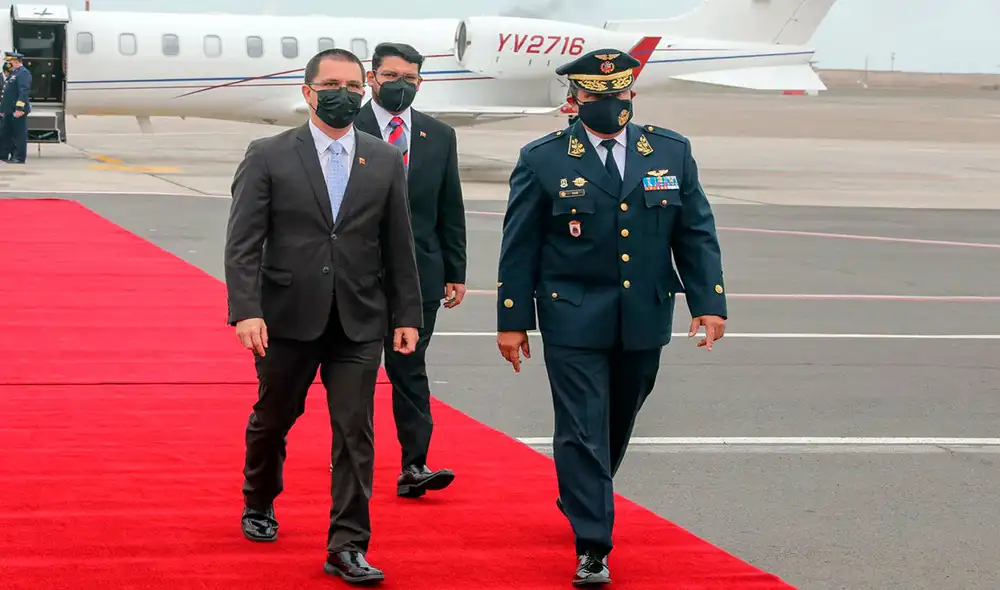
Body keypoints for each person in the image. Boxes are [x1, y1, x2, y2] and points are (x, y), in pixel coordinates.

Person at [495, 49, 728, 586]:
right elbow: (519, 246)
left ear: (632, 96)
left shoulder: (669, 152)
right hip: (571, 316)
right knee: (581, 428)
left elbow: (694, 230)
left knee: (617, 420)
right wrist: (513, 319)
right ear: (574, 100)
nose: (610, 105)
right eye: (598, 97)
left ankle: (580, 490)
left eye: (618, 96)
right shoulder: (543, 159)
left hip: (644, 314)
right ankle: (593, 545)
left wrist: (708, 302)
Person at [224, 48, 423, 585]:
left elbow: (398, 245)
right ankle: (259, 499)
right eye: (332, 84)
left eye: (354, 85)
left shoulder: (382, 159)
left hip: (360, 319)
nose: (345, 93)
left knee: (355, 431)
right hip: (286, 318)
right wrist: (246, 310)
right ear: (308, 92)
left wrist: (408, 314)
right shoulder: (268, 154)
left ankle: (347, 545)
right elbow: (244, 243)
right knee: (274, 417)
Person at [353, 41, 467, 498]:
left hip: (419, 274)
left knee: (410, 367)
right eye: (391, 76)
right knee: (354, 370)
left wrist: (455, 270)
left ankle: (414, 464)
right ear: (371, 77)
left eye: (411, 79)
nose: (401, 86)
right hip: (355, 274)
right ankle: (351, 456)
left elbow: (449, 207)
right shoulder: (346, 126)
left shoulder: (438, 136)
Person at [0, 51, 31, 164]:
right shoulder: (14, 73)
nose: (8, 64)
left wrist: (19, 109)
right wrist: (3, 109)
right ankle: (6, 154)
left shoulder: (23, 73)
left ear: (15, 62)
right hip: (8, 110)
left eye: (9, 62)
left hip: (16, 110)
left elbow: (23, 91)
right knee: (7, 133)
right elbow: (7, 93)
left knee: (19, 134)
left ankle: (19, 157)